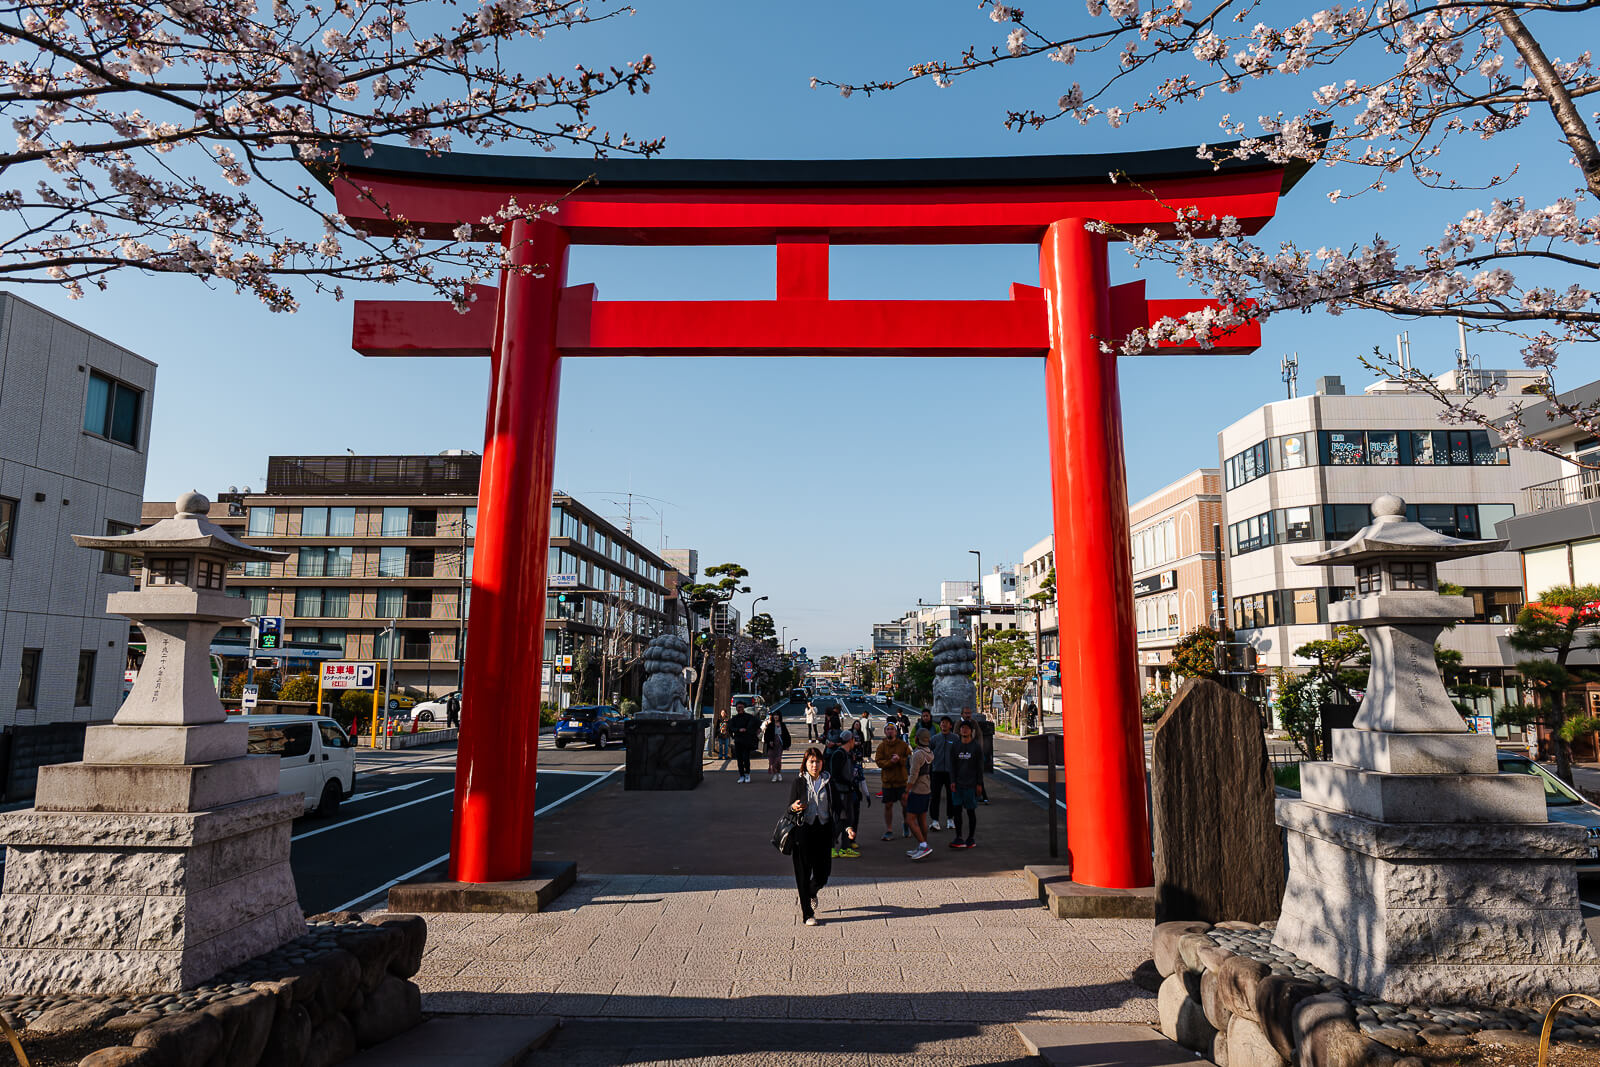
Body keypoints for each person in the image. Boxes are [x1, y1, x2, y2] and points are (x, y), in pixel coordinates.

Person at [789, 747, 838, 925]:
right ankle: (807, 914)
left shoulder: (829, 782)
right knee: (802, 872)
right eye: (811, 761)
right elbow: (790, 807)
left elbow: (838, 807)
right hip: (803, 831)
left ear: (822, 763)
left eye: (817, 761)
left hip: (824, 830)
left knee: (823, 873)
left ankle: (811, 890)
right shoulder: (799, 782)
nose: (814, 765)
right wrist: (794, 807)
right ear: (805, 763)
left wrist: (846, 826)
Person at [874, 722, 912, 842]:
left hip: (901, 781)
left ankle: (906, 824)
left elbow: (909, 759)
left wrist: (900, 760)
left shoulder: (903, 745)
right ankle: (889, 830)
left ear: (896, 732)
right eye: (888, 729)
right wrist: (891, 762)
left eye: (892, 729)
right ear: (885, 732)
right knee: (888, 805)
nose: (890, 731)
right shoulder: (881, 746)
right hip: (888, 781)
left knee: (905, 804)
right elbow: (879, 761)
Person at [949, 720, 984, 849]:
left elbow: (980, 767)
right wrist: (952, 781)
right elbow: (952, 765)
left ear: (971, 731)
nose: (964, 730)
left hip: (971, 784)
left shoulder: (976, 747)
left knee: (970, 811)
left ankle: (971, 837)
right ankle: (959, 837)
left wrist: (979, 784)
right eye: (962, 728)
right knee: (957, 811)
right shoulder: (955, 745)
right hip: (958, 784)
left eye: (967, 728)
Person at [827, 731, 862, 858]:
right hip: (840, 791)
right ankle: (830, 846)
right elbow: (836, 775)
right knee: (841, 819)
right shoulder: (839, 754)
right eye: (854, 739)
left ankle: (845, 847)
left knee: (849, 818)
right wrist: (849, 783)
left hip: (847, 791)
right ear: (850, 740)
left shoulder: (846, 754)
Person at [904, 728, 934, 860]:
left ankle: (923, 845)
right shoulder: (929, 752)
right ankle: (923, 844)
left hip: (917, 790)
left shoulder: (917, 754)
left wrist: (907, 790)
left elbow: (913, 775)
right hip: (926, 788)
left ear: (917, 739)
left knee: (909, 819)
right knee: (922, 819)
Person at [928, 716, 957, 832]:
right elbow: (929, 752)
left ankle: (950, 819)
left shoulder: (955, 739)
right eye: (942, 723)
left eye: (946, 723)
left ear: (950, 725)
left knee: (952, 797)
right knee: (935, 797)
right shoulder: (934, 739)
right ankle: (935, 821)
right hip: (937, 771)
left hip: (951, 773)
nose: (944, 725)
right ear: (940, 725)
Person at [729, 702, 759, 783]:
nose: (740, 709)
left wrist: (755, 731)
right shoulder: (734, 719)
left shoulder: (750, 717)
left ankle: (747, 774)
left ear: (744, 708)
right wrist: (738, 730)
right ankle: (741, 775)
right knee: (739, 759)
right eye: (738, 707)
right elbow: (730, 728)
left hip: (747, 741)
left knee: (746, 758)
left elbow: (757, 723)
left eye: (741, 707)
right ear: (736, 709)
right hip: (738, 741)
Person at [764, 708, 791, 782]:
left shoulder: (782, 725)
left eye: (777, 715)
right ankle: (775, 774)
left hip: (780, 744)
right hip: (772, 745)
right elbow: (766, 735)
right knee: (771, 760)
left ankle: (778, 773)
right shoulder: (770, 725)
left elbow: (786, 735)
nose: (775, 717)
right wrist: (769, 741)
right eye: (774, 715)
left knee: (778, 760)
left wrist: (787, 745)